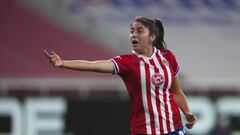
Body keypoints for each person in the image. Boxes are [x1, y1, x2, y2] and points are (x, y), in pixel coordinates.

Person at [44, 16, 197, 135]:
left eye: (139, 31)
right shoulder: (127, 63)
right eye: (132, 31)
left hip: (174, 128)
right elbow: (93, 65)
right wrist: (63, 63)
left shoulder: (168, 57)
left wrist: (188, 113)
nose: (133, 35)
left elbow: (176, 91)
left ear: (152, 36)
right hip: (144, 130)